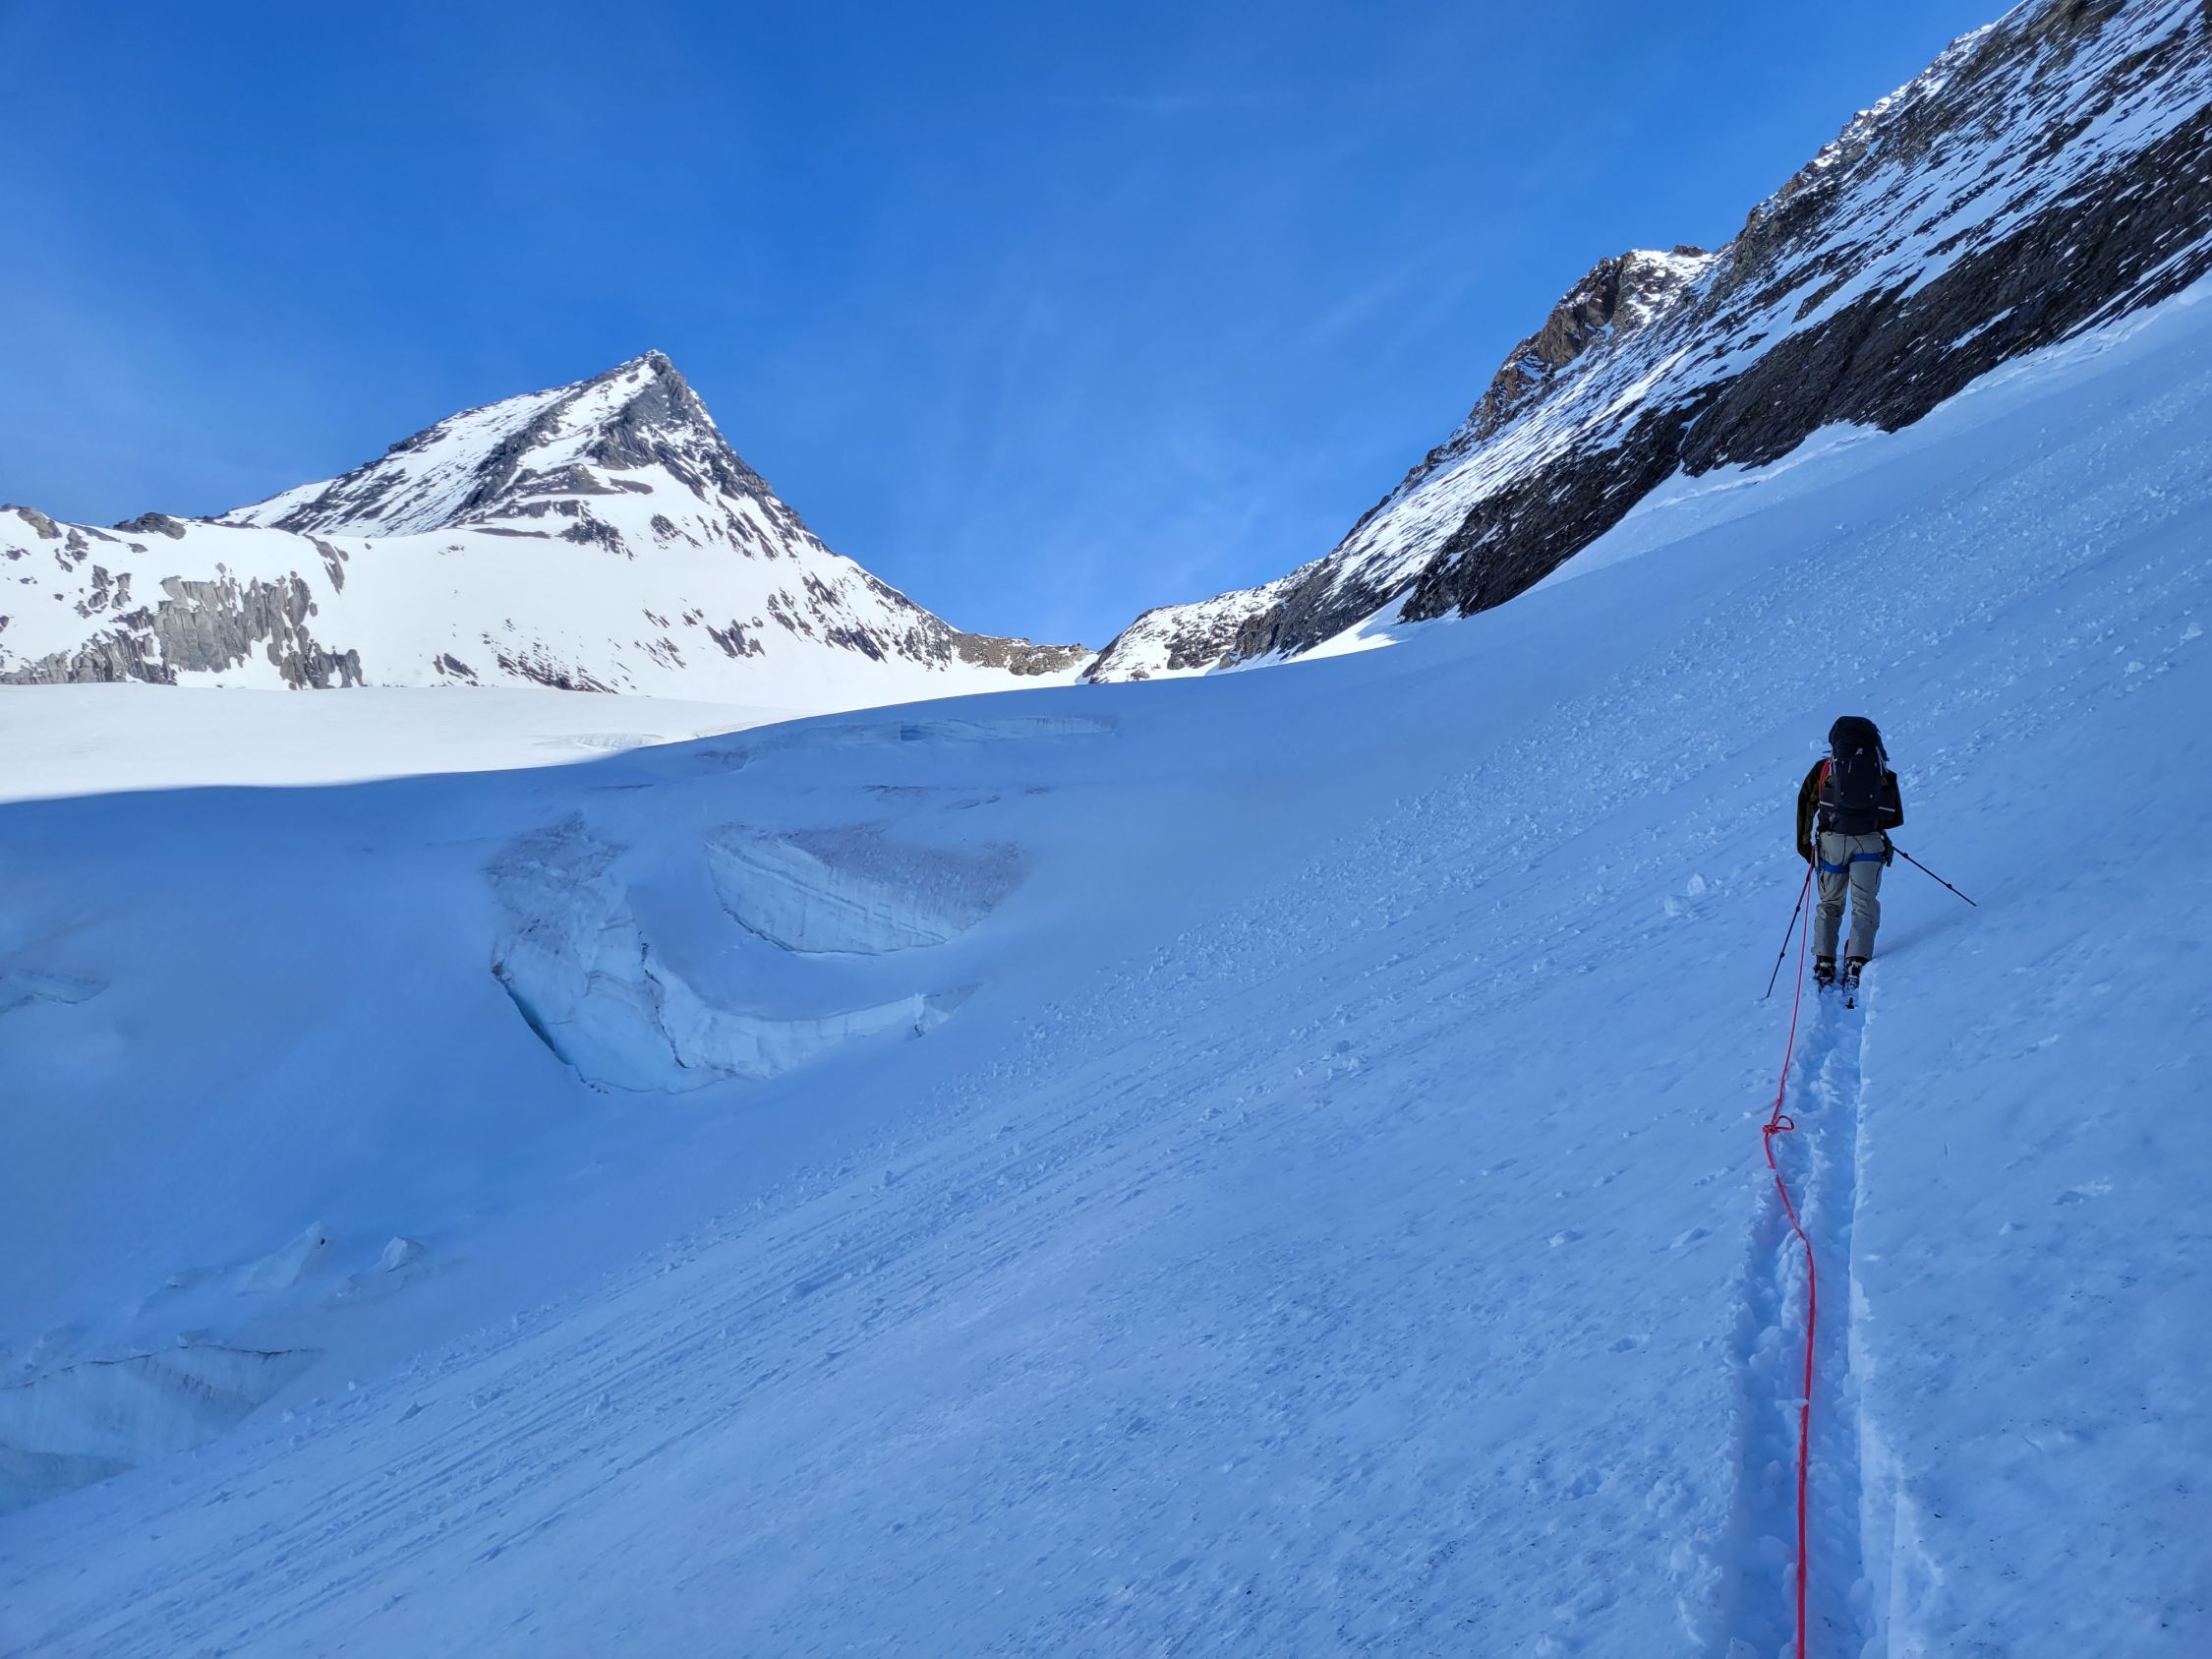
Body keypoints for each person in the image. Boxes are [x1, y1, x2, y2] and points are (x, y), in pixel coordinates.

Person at [1794, 716, 1905, 987]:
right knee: (1864, 901)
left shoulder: (1824, 768)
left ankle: (1824, 961)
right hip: (1869, 843)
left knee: (1830, 902)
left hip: (1832, 843)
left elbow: (1806, 803)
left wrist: (1805, 845)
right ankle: (1857, 959)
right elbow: (1894, 817)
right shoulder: (1881, 769)